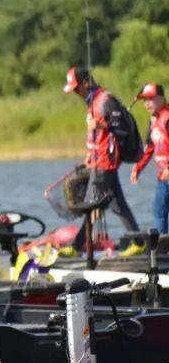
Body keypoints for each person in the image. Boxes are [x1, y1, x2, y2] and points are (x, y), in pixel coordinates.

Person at [63, 66, 142, 254]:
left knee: (90, 205)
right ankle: (139, 242)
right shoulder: (91, 101)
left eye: (76, 88)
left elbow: (121, 130)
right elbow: (95, 139)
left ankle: (76, 247)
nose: (75, 92)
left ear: (85, 83)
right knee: (117, 205)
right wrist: (88, 158)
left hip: (105, 164)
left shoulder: (106, 101)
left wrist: (102, 125)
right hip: (97, 162)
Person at [131, 82, 169, 235]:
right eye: (144, 100)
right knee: (159, 212)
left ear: (161, 98)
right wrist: (138, 167)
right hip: (163, 179)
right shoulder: (153, 121)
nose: (147, 104)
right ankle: (163, 250)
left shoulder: (167, 118)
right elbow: (149, 148)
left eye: (150, 99)